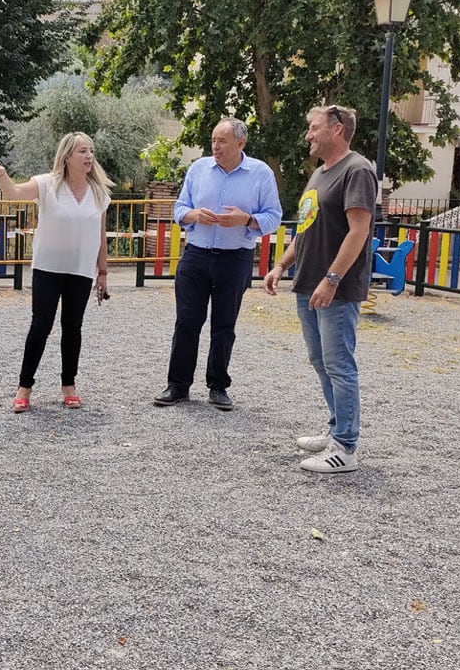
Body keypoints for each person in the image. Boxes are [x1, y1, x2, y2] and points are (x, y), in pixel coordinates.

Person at [263, 104, 376, 474]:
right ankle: (336, 430)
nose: (308, 135)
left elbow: (359, 230)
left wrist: (333, 279)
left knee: (340, 364)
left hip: (334, 289)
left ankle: (345, 447)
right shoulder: (320, 175)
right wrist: (281, 265)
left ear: (337, 129)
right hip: (308, 284)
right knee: (322, 361)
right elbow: (307, 229)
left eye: (314, 128)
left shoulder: (357, 170)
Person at [153, 117, 282, 411]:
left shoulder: (260, 173)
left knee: (224, 325)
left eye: (222, 141)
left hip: (235, 257)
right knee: (186, 322)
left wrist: (247, 220)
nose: (216, 146)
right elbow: (179, 208)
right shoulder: (198, 169)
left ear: (241, 143)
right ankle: (178, 385)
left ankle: (218, 386)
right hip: (196, 255)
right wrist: (193, 215)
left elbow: (274, 215)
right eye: (213, 140)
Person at [0, 132, 112, 413]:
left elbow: (100, 234)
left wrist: (103, 273)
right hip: (48, 268)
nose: (89, 156)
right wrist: (2, 174)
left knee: (72, 328)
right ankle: (24, 388)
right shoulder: (47, 184)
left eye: (91, 151)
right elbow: (13, 193)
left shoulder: (99, 193)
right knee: (41, 325)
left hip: (80, 270)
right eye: (82, 151)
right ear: (66, 157)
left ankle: (69, 385)